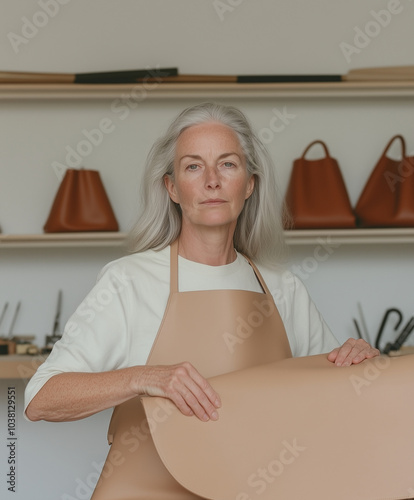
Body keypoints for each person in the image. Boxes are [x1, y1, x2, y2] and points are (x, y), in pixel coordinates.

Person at [24, 102, 379, 497]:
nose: (212, 181)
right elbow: (41, 399)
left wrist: (359, 363)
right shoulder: (130, 280)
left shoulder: (283, 289)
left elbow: (338, 402)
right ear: (172, 187)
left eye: (227, 164)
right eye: (194, 166)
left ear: (249, 184)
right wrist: (145, 377)